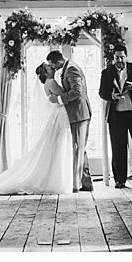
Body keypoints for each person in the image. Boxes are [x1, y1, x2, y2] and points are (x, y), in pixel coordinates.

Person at [0, 63, 73, 194]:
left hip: (57, 114)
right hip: (59, 114)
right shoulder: (52, 82)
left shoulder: (48, 82)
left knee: (55, 146)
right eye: (49, 68)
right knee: (57, 146)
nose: (52, 68)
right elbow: (64, 94)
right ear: (45, 73)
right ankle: (55, 179)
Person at [98, 44, 132, 189]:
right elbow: (102, 92)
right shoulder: (107, 73)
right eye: (117, 57)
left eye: (122, 57)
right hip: (117, 115)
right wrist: (112, 95)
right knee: (118, 148)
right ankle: (119, 180)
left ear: (126, 56)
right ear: (113, 58)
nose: (119, 60)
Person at [46, 49, 93, 192]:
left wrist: (59, 99)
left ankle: (75, 185)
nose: (52, 68)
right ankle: (86, 182)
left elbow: (77, 91)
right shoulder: (67, 67)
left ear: (58, 61)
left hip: (79, 113)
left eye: (52, 65)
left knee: (78, 148)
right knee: (80, 148)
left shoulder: (71, 69)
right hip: (77, 113)